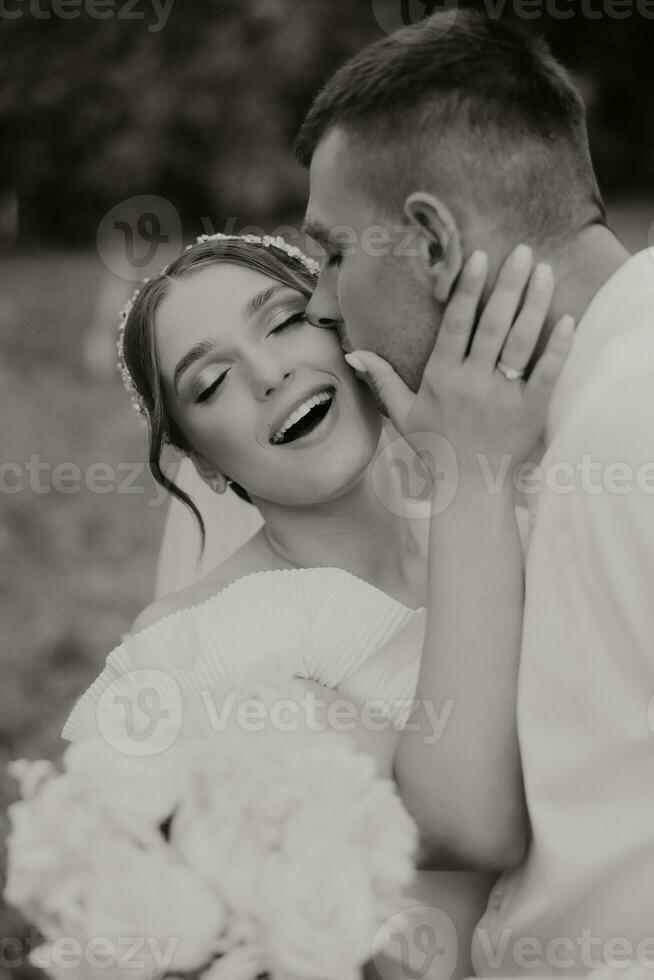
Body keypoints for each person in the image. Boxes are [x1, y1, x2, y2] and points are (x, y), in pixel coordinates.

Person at [65, 229, 570, 979]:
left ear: (343, 324)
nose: (270, 373)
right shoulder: (196, 654)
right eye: (211, 384)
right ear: (202, 462)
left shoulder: (529, 521)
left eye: (285, 321)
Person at [290, 8, 654, 976]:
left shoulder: (632, 424)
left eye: (332, 251)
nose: (321, 301)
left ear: (432, 243)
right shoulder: (560, 420)